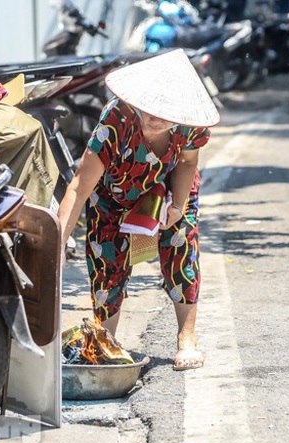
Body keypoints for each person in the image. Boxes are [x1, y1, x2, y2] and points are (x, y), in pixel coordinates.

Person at [57, 49, 220, 371]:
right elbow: (79, 186)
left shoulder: (191, 127)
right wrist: (58, 242)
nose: (154, 117)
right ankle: (106, 340)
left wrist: (177, 205)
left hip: (168, 192)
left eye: (165, 112)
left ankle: (186, 338)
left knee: (180, 248)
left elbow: (187, 163)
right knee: (107, 261)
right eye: (150, 108)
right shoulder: (116, 120)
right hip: (112, 197)